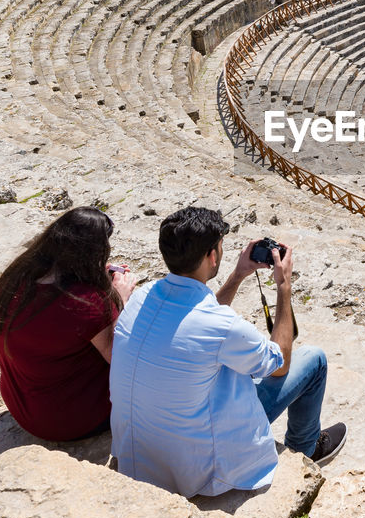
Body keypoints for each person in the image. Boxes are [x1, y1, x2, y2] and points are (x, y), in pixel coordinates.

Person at [110, 206, 345, 498]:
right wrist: (283, 286)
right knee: (314, 359)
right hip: (195, 468)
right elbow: (279, 364)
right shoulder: (222, 327)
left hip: (138, 454)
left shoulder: (141, 297)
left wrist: (238, 275)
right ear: (212, 256)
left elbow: (196, 320)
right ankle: (307, 447)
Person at [0, 206, 136, 441]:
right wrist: (120, 298)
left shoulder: (17, 277)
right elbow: (121, 358)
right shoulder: (87, 302)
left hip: (20, 405)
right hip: (69, 421)